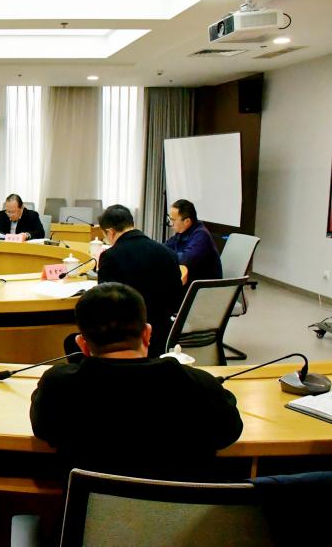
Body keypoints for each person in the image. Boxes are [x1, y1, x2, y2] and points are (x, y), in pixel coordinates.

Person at [30, 282, 243, 481]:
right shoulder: (198, 385)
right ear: (147, 334)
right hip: (179, 509)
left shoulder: (58, 386)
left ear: (82, 344)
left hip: (94, 509)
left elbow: (43, 430)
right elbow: (229, 431)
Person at [96, 205, 182, 358]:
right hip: (164, 335)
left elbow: (105, 303)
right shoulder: (167, 252)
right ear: (132, 224)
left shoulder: (111, 256)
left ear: (110, 232)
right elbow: (177, 298)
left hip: (126, 339)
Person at [165, 199, 222, 283]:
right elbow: (165, 248)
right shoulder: (181, 232)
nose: (170, 223)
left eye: (173, 220)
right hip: (191, 280)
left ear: (187, 221)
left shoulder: (201, 235)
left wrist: (165, 256)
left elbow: (186, 259)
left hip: (204, 286)